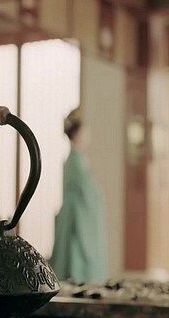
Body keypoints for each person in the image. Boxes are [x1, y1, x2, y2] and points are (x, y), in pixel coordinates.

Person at [50, 108, 108, 283]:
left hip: (75, 211)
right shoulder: (75, 160)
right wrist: (97, 192)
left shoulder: (76, 158)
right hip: (76, 214)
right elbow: (85, 189)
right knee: (76, 249)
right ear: (77, 134)